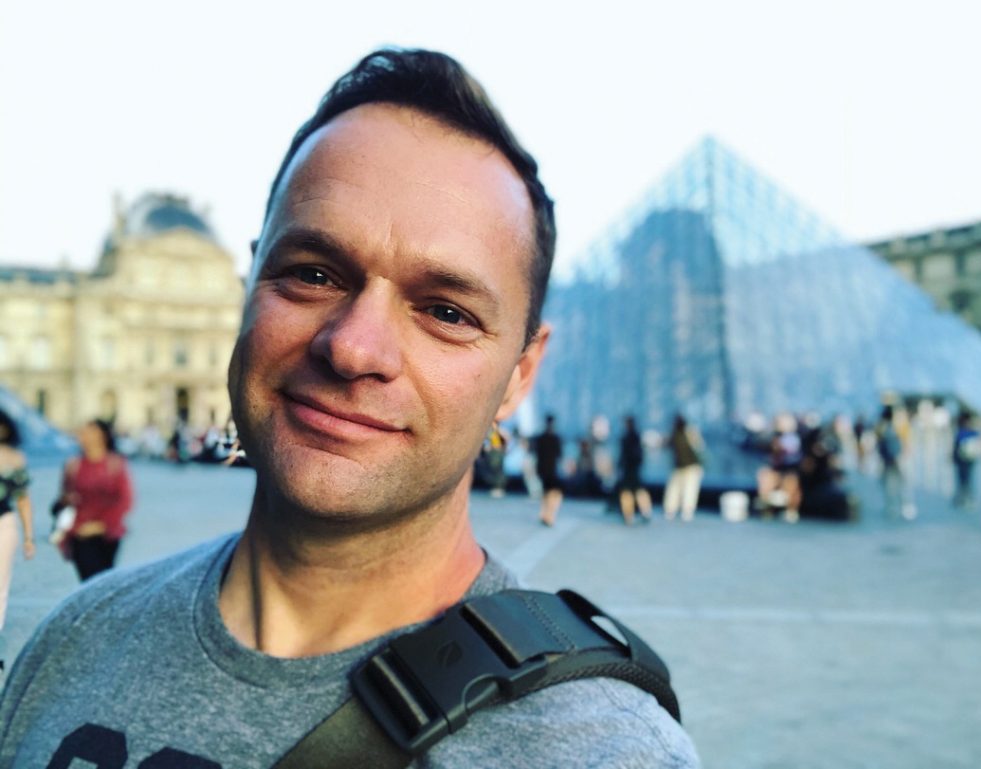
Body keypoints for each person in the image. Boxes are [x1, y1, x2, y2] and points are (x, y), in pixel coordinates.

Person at [0, 49, 698, 768]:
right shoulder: (72, 636)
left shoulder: (602, 751)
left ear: (520, 373)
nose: (355, 348)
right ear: (249, 286)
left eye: (446, 311)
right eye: (312, 273)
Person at [52, 419, 133, 581]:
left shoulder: (115, 464)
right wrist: (66, 501)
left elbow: (125, 500)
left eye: (89, 433)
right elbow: (61, 500)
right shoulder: (73, 465)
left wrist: (100, 525)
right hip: (79, 533)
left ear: (102, 436)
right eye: (82, 433)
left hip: (108, 533)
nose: (83, 437)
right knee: (89, 581)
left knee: (104, 581)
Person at [0, 410, 35, 671]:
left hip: (4, 522)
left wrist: (29, 537)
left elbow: (23, 499)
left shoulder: (15, 458)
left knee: (0, 585)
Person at [663, 414, 703, 522]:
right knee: (685, 490)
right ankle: (682, 511)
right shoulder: (689, 433)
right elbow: (700, 448)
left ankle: (676, 511)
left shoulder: (679, 433)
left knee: (677, 490)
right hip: (688, 466)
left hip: (687, 466)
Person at [618, 414, 652, 525]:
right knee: (638, 490)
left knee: (627, 492)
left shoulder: (627, 437)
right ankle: (644, 512)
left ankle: (629, 515)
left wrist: (621, 465)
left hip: (629, 468)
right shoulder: (636, 436)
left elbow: (624, 455)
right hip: (633, 468)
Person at [534, 413, 564, 526]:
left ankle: (544, 514)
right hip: (552, 469)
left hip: (542, 469)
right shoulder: (555, 438)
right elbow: (560, 455)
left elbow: (536, 453)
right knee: (555, 492)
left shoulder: (540, 438)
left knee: (546, 492)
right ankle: (549, 515)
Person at [951, 410, 981, 509]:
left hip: (967, 460)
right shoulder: (964, 432)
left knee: (966, 479)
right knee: (964, 479)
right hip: (964, 460)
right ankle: (964, 498)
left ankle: (965, 498)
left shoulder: (964, 432)